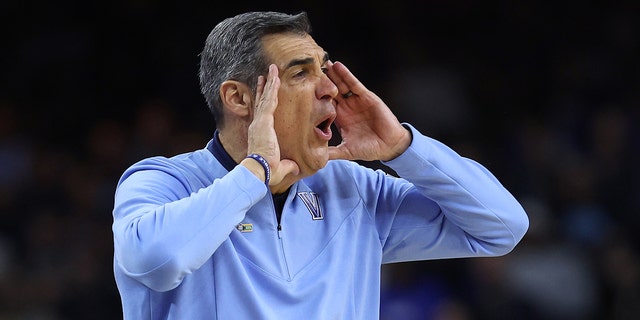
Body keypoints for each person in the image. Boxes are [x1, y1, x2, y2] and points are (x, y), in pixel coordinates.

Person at [111, 11, 529, 319]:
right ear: (238, 99)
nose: (331, 88)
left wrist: (403, 147)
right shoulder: (161, 181)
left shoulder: (352, 188)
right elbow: (156, 262)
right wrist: (255, 173)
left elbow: (502, 227)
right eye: (301, 73)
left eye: (325, 70)